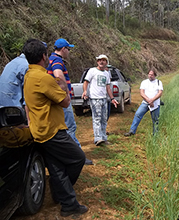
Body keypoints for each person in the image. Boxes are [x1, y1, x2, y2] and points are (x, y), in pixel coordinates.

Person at [23, 39, 88, 217]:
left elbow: (28, 104)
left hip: (39, 130)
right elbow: (66, 101)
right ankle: (61, 192)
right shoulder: (44, 78)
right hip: (52, 131)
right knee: (77, 158)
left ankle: (68, 203)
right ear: (44, 56)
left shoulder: (28, 75)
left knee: (56, 167)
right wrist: (62, 86)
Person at [46, 38, 93, 165]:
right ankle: (77, 156)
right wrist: (65, 94)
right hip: (61, 100)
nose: (69, 52)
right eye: (68, 49)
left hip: (55, 100)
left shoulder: (50, 58)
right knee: (70, 127)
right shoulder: (57, 60)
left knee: (63, 127)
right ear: (63, 49)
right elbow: (58, 75)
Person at [82, 54, 118, 146]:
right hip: (95, 99)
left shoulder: (106, 73)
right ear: (97, 62)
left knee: (104, 119)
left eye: (103, 60)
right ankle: (97, 139)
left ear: (106, 62)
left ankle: (103, 138)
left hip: (104, 99)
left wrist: (112, 98)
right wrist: (85, 91)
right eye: (99, 60)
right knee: (97, 118)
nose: (101, 62)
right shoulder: (92, 71)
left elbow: (108, 87)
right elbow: (86, 82)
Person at [124, 69, 163, 136]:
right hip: (145, 102)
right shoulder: (144, 82)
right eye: (149, 74)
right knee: (138, 114)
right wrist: (148, 100)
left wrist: (152, 100)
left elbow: (160, 93)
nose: (150, 76)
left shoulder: (159, 82)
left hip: (155, 104)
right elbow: (142, 93)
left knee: (155, 119)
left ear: (155, 75)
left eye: (152, 75)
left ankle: (155, 134)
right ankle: (132, 131)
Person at [0, 42, 30, 107]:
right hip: (15, 109)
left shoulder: (12, 62)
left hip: (2, 108)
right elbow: (28, 99)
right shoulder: (27, 66)